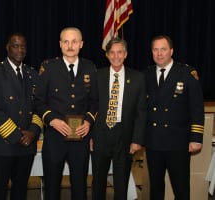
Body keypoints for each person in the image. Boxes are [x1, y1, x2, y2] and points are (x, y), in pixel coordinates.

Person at [35, 27, 98, 200]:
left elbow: (95, 101)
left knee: (80, 188)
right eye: (66, 41)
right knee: (52, 187)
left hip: (80, 138)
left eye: (74, 41)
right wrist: (51, 120)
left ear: (81, 44)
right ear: (60, 44)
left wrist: (88, 122)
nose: (70, 45)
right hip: (55, 137)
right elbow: (38, 101)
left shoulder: (90, 67)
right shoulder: (48, 67)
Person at [145, 35, 205, 199]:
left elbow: (197, 108)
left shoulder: (186, 74)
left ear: (171, 51)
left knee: (181, 189)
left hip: (178, 143)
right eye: (155, 50)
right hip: (153, 142)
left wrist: (196, 138)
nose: (159, 53)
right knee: (155, 188)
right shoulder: (147, 75)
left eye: (163, 49)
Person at [0, 32, 43, 200]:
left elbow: (39, 107)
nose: (20, 49)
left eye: (23, 46)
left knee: (20, 191)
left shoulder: (32, 74)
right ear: (7, 48)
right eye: (15, 45)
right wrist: (17, 136)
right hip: (4, 145)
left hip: (27, 146)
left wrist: (32, 132)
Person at [91, 38, 146, 200]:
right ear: (107, 55)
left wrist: (137, 140)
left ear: (126, 54)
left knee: (121, 184)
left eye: (120, 52)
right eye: (112, 53)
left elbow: (141, 111)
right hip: (100, 134)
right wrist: (90, 136)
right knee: (98, 183)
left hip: (125, 136)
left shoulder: (138, 78)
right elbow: (91, 106)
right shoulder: (97, 76)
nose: (116, 56)